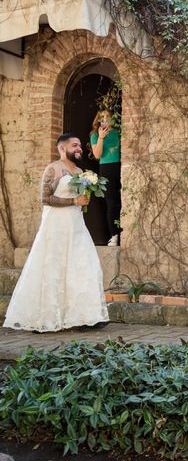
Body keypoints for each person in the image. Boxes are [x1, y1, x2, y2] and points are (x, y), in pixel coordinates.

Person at [3, 133, 109, 332]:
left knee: (85, 265)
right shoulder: (53, 169)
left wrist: (83, 200)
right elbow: (45, 198)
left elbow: (78, 198)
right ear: (62, 148)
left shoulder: (79, 171)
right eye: (75, 145)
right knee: (53, 267)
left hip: (77, 226)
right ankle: (46, 317)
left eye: (79, 146)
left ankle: (87, 316)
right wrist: (73, 201)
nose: (79, 149)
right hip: (56, 226)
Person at [90, 109, 121, 247]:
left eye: (107, 116)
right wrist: (101, 137)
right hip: (106, 169)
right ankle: (114, 236)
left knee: (121, 201)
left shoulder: (118, 132)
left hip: (120, 166)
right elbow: (97, 155)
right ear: (98, 120)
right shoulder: (95, 134)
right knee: (111, 203)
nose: (105, 119)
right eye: (102, 117)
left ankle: (123, 232)